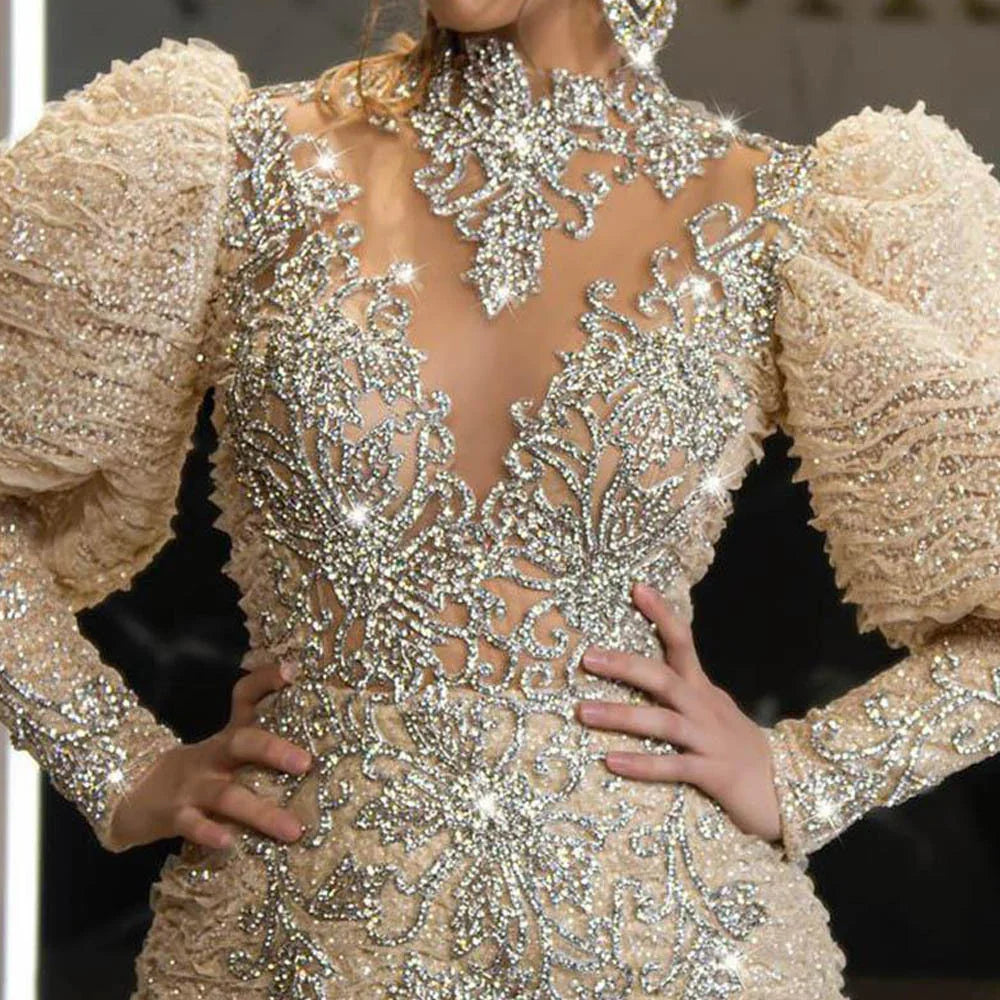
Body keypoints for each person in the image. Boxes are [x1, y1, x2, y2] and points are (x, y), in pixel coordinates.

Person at [1, 0, 998, 996]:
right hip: (285, 942)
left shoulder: (783, 213)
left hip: (679, 947)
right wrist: (116, 764)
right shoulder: (234, 165)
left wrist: (803, 773)